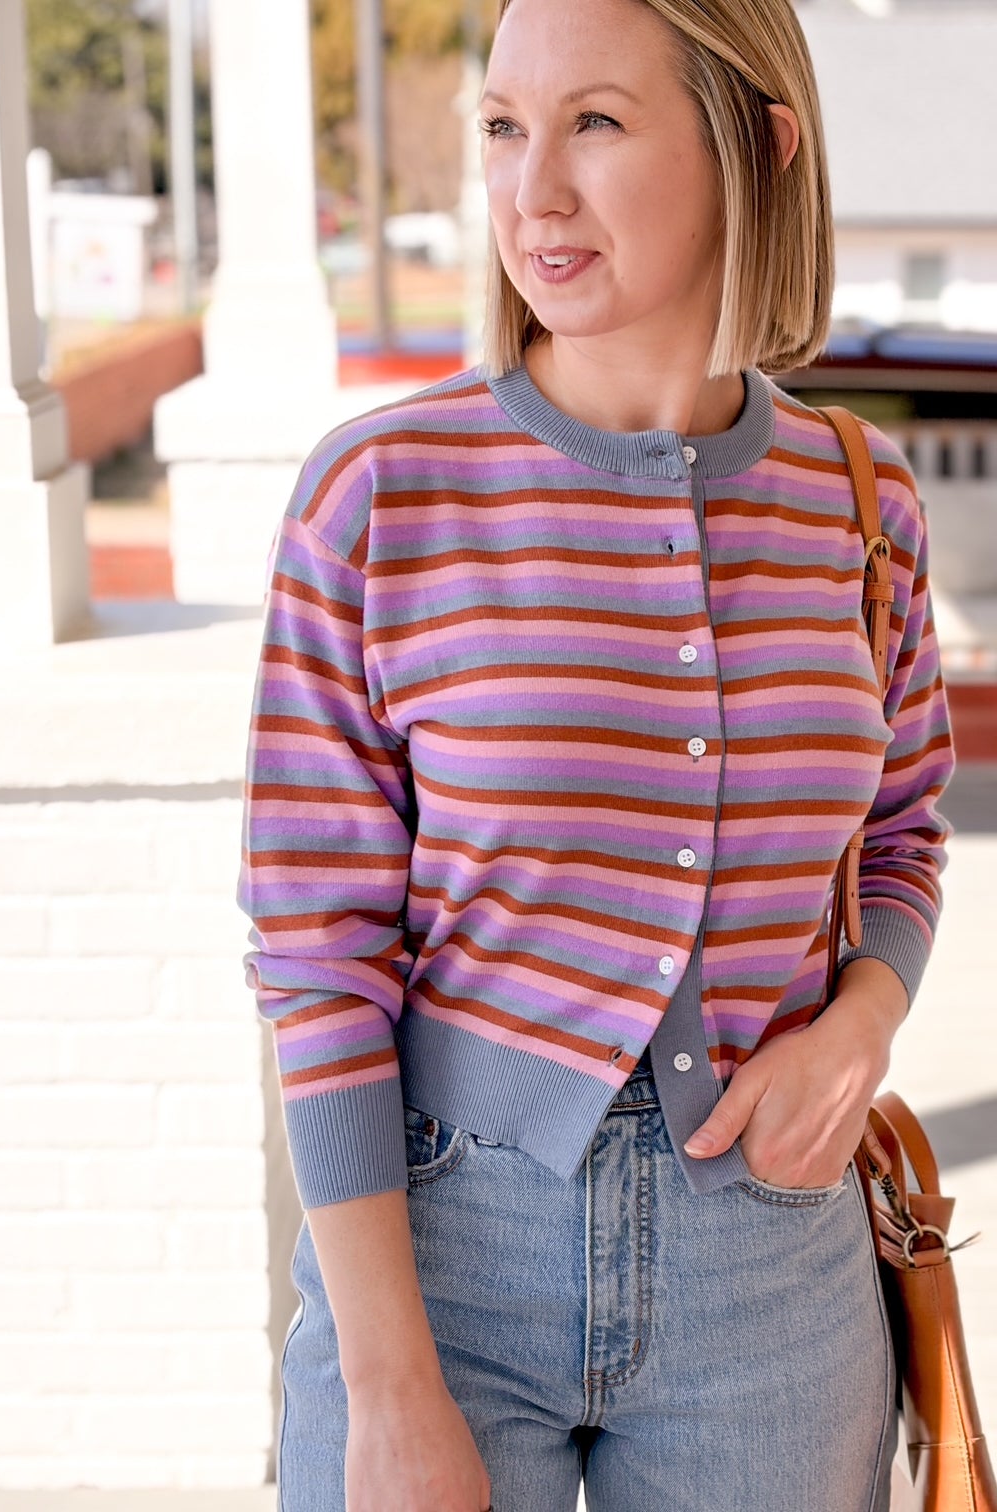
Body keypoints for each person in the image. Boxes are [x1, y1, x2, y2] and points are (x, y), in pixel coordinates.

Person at [237, 0, 955, 1506]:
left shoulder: (861, 498)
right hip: (441, 1252)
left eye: (598, 123)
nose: (531, 191)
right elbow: (318, 953)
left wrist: (861, 1023)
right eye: (503, 126)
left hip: (776, 1263)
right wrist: (384, 1385)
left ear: (757, 146)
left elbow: (901, 831)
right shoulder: (380, 494)